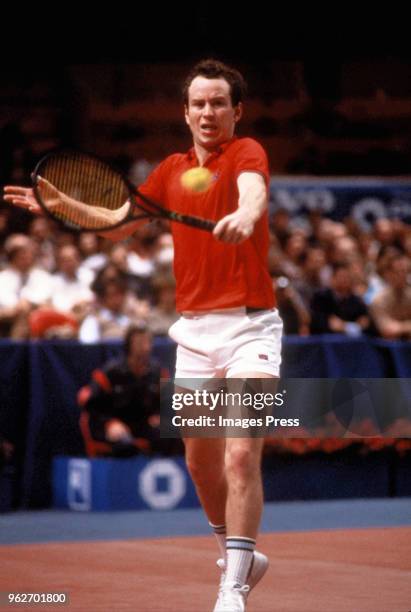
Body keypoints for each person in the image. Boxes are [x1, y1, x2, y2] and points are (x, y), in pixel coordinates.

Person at [4, 59, 283, 612]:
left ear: (236, 111)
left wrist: (247, 217)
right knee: (201, 465)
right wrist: (59, 206)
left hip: (252, 326)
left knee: (239, 456)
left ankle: (232, 585)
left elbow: (254, 194)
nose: (208, 111)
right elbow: (119, 219)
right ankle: (235, 551)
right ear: (185, 113)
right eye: (199, 103)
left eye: (218, 102)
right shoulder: (170, 172)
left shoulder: (247, 153)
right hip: (197, 334)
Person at [80, 324, 167, 456]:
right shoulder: (110, 372)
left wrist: (160, 416)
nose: (145, 347)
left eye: (148, 342)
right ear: (129, 346)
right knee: (124, 444)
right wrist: (109, 424)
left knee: (174, 435)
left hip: (143, 424)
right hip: (115, 425)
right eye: (140, 342)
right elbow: (92, 407)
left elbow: (169, 403)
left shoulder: (159, 372)